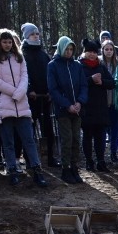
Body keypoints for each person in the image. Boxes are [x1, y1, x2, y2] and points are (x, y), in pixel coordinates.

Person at [0, 28, 48, 187]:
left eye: (9, 42)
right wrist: (13, 91)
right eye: (4, 42)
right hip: (3, 103)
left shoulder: (19, 57)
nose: (7, 45)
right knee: (8, 141)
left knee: (29, 139)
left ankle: (36, 170)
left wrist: (20, 91)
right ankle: (12, 169)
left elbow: (25, 76)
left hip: (21, 103)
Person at [47, 36, 87, 184]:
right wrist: (67, 105)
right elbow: (53, 89)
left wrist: (80, 102)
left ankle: (75, 167)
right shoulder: (53, 66)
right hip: (63, 110)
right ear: (61, 49)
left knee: (77, 138)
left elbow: (84, 85)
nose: (69, 52)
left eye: (71, 49)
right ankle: (66, 168)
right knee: (67, 139)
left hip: (77, 109)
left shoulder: (77, 66)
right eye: (67, 49)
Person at [21, 23, 60, 168]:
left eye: (37, 34)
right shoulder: (22, 54)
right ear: (27, 36)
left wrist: (51, 90)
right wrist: (29, 89)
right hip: (30, 100)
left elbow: (50, 75)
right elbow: (22, 75)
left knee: (48, 130)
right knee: (29, 131)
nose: (36, 36)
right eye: (33, 34)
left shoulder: (44, 55)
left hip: (45, 98)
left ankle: (50, 158)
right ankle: (30, 159)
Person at [78, 38, 114, 172]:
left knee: (100, 137)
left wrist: (102, 82)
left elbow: (112, 83)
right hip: (86, 107)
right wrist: (91, 80)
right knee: (87, 136)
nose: (92, 54)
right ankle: (89, 161)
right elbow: (77, 85)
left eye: (94, 52)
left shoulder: (101, 66)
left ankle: (101, 161)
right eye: (89, 51)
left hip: (100, 108)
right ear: (84, 52)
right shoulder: (79, 66)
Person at [100, 39, 118, 163]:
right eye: (106, 49)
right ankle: (101, 154)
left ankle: (114, 152)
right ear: (102, 50)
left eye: (111, 49)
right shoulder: (99, 63)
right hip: (102, 102)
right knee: (102, 128)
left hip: (115, 101)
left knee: (115, 128)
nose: (109, 52)